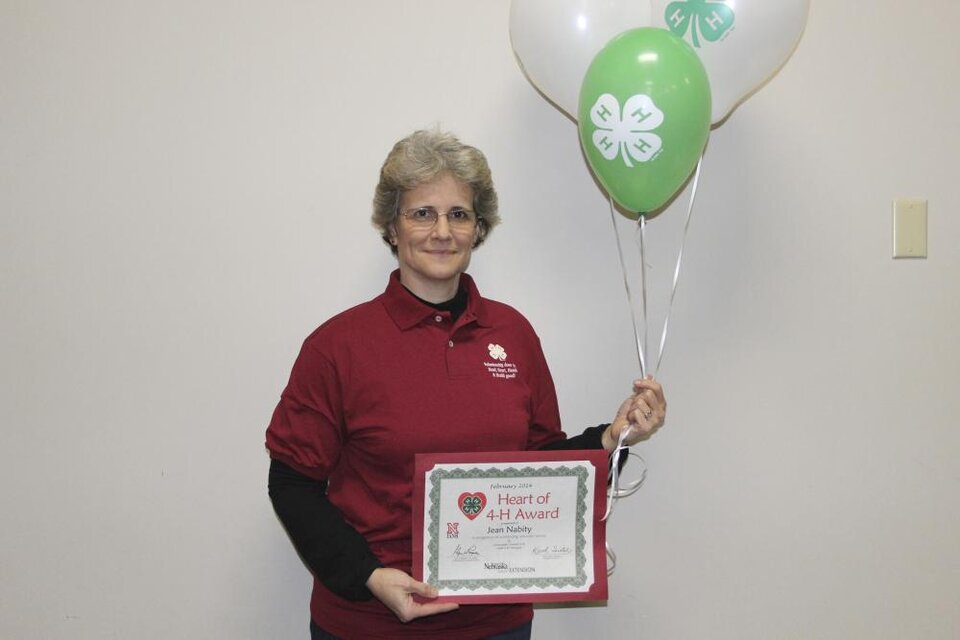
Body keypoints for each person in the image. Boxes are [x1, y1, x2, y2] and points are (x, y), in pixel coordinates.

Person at [265, 129, 667, 640]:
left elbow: (540, 469)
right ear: (392, 226)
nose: (442, 231)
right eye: (421, 213)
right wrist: (368, 577)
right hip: (370, 624)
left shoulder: (514, 335)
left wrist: (614, 437)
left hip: (496, 626)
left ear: (479, 229)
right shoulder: (337, 346)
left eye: (459, 214)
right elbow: (293, 484)